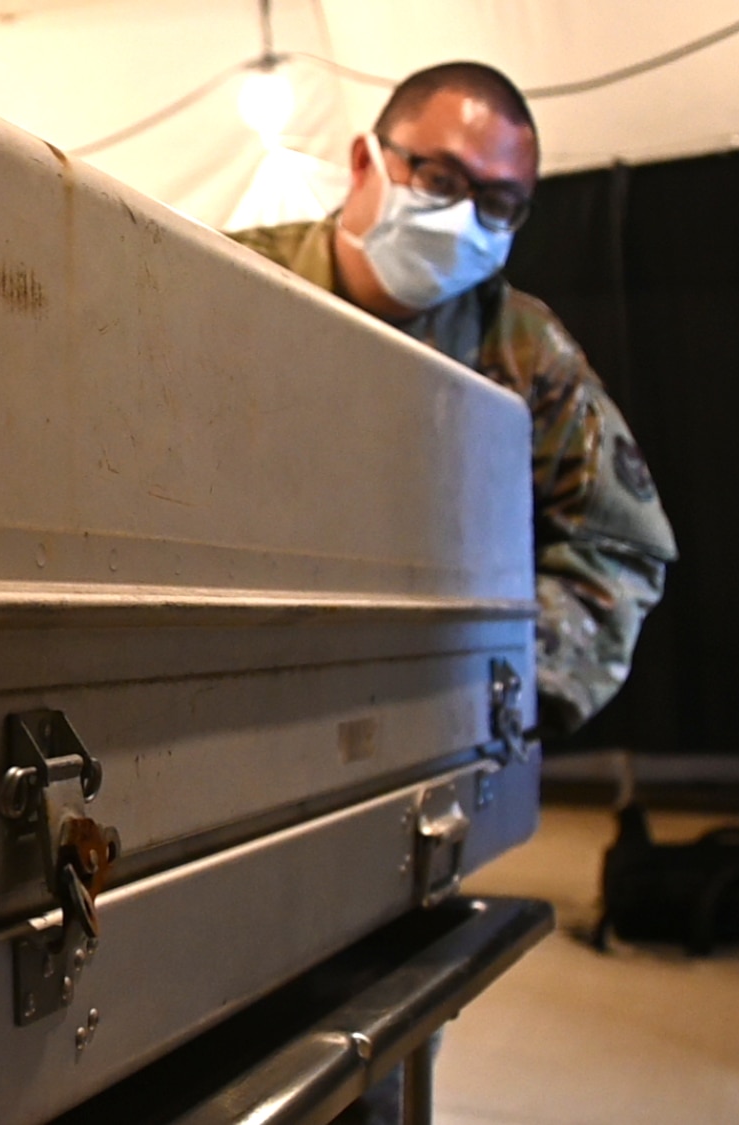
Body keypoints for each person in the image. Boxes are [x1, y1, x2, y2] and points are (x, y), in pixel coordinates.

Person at [229, 62, 676, 738]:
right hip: (228, 691)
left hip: (429, 722)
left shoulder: (526, 350)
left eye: (497, 203)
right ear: (364, 161)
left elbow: (617, 547)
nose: (464, 217)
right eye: (439, 180)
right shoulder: (224, 287)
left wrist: (493, 679)